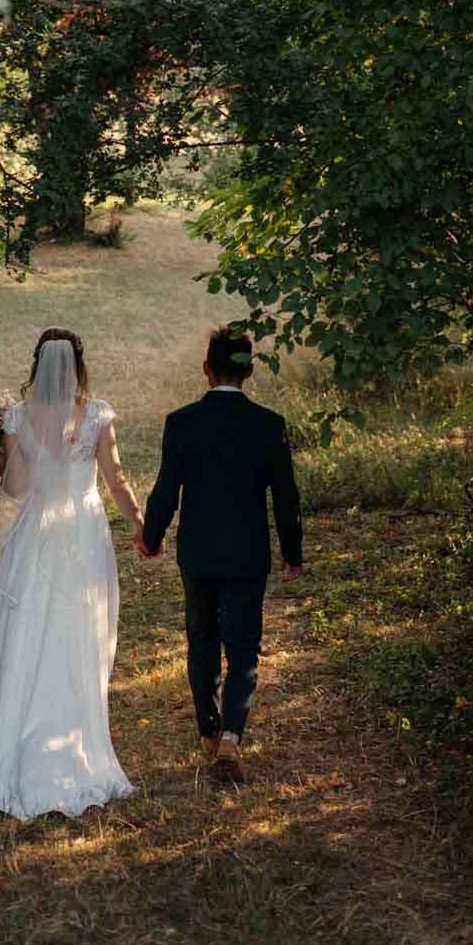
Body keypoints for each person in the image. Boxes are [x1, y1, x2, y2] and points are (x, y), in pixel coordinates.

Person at [0, 327, 145, 818]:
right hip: (82, 532)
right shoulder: (98, 414)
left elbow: (17, 489)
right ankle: (72, 743)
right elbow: (115, 480)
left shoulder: (20, 416)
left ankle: (10, 743)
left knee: (25, 631)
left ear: (38, 365)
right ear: (79, 365)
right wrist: (140, 524)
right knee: (79, 631)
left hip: (37, 532)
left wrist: (0, 449)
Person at [138, 327, 303, 784]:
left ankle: (209, 732)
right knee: (244, 646)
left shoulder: (182, 422)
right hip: (248, 554)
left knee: (203, 640)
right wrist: (293, 552)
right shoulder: (269, 425)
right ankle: (232, 734)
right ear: (250, 370)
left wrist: (151, 537)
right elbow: (286, 499)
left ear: (207, 369)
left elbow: (166, 489)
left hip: (199, 553)